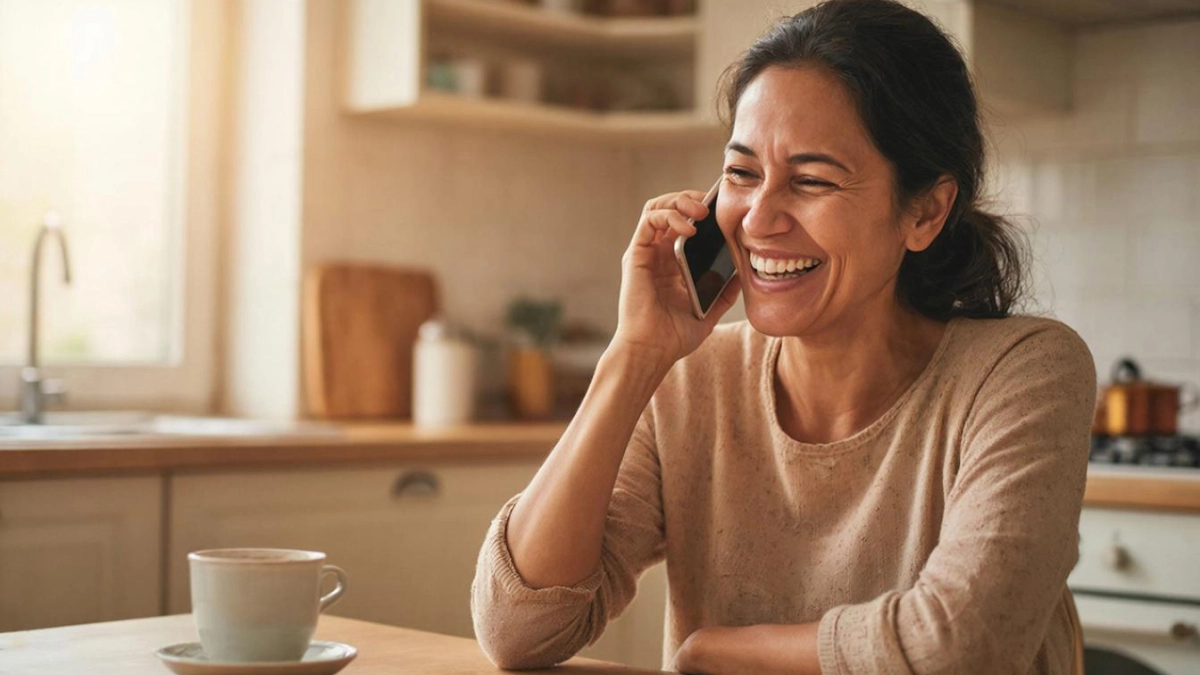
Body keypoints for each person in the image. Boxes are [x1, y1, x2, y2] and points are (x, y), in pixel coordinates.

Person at [471, 0, 1096, 673]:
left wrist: (719, 651)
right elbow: (518, 628)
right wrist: (634, 356)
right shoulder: (692, 377)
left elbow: (959, 646)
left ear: (926, 211)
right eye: (741, 173)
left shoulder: (1025, 372)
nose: (758, 219)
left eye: (811, 180)